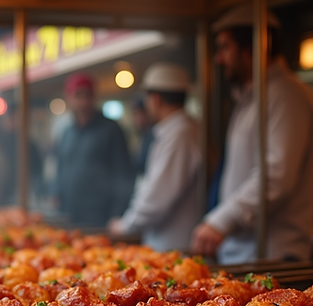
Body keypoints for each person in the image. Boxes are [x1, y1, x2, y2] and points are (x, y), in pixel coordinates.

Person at [190, 4, 313, 264]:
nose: (218, 58)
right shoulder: (251, 98)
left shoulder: (285, 95)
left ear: (253, 49)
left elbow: (276, 175)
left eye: (225, 47)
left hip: (274, 255)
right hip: (244, 253)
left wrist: (221, 221)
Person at [109, 64, 202, 251]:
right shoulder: (176, 130)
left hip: (174, 246)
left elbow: (157, 198)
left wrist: (125, 225)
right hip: (167, 242)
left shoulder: (180, 134)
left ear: (156, 99)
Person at [53, 73, 134, 227]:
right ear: (68, 97)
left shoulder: (111, 129)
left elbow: (124, 173)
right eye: (78, 95)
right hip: (69, 213)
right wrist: (56, 192)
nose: (83, 101)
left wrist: (118, 213)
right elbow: (61, 166)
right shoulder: (67, 132)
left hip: (99, 216)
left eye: (88, 95)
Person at [130, 97, 155, 175]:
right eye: (135, 115)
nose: (138, 118)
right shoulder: (140, 135)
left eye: (140, 114)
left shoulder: (153, 134)